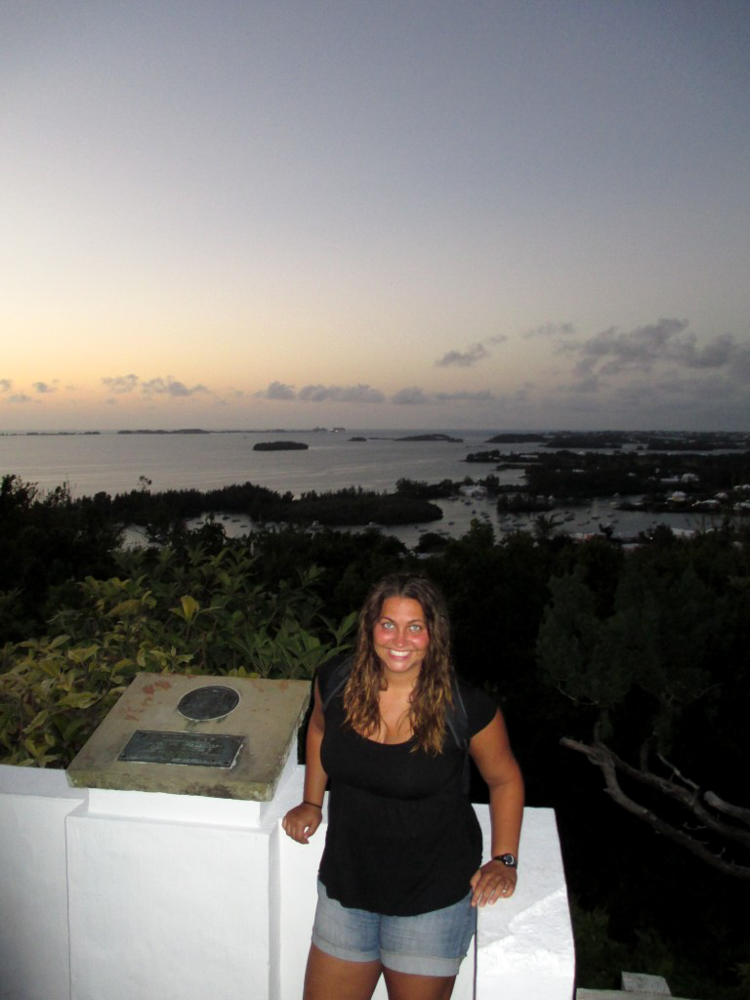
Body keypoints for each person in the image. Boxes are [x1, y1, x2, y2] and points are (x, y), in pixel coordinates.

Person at [282, 574, 524, 1000]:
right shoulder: (335, 680)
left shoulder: (465, 707)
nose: (400, 639)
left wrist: (504, 858)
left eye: (415, 627)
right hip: (347, 888)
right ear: (370, 627)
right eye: (388, 623)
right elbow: (318, 732)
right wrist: (311, 801)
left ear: (434, 634)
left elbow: (504, 779)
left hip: (431, 902)